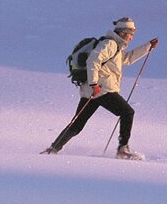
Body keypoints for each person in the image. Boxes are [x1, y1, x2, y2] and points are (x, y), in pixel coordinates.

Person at [43, 17, 158, 160]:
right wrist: (94, 84)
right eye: (130, 34)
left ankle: (53, 149)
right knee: (127, 112)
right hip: (101, 89)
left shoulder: (115, 46)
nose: (131, 37)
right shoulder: (109, 44)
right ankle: (123, 149)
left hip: (93, 90)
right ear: (123, 33)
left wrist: (148, 47)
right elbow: (93, 60)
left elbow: (127, 59)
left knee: (78, 123)